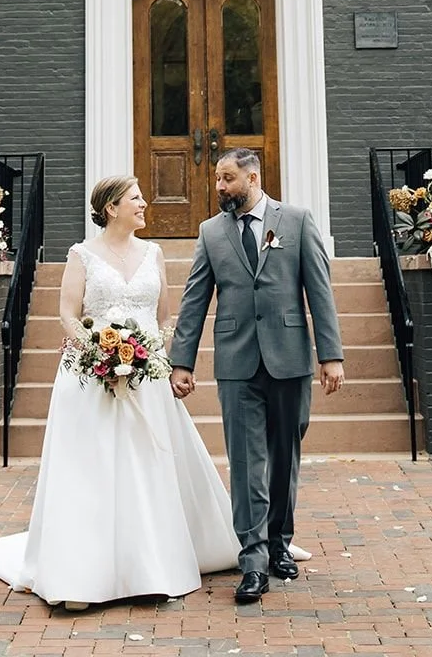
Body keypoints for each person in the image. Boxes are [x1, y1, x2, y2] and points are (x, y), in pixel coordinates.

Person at [0, 176, 240, 608]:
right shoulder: (82, 255)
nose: (145, 203)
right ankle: (80, 578)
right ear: (111, 207)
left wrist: (149, 355)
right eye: (135, 198)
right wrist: (102, 354)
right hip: (91, 377)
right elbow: (68, 315)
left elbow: (165, 318)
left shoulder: (155, 253)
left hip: (145, 378)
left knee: (146, 470)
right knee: (92, 472)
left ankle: (149, 567)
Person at [169, 148, 344, 605]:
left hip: (290, 359)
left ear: (252, 176)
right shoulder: (210, 233)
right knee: (246, 462)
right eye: (217, 180)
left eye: (227, 178)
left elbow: (319, 292)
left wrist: (331, 355)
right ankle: (252, 560)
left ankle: (280, 544)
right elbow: (193, 302)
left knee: (285, 454)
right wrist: (181, 362)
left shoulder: (298, 221)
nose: (220, 187)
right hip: (236, 362)